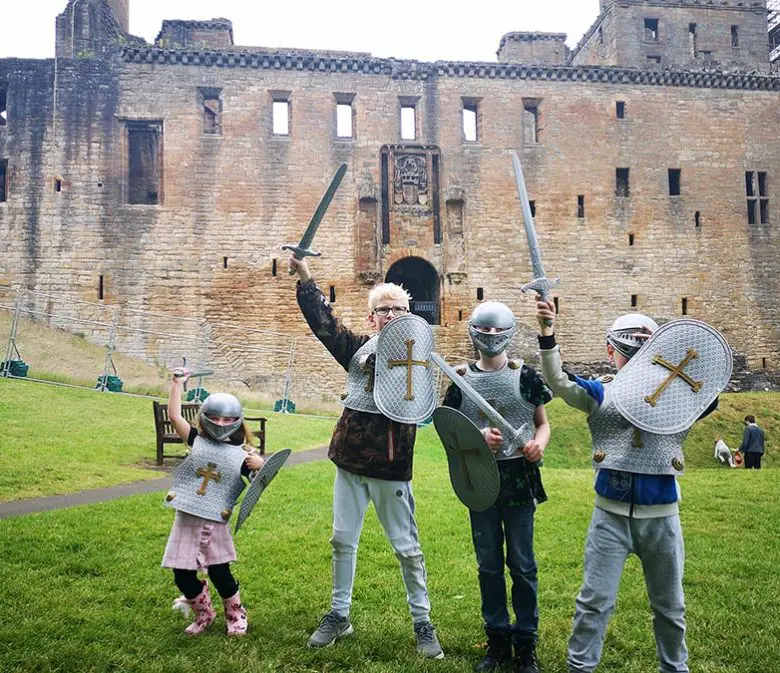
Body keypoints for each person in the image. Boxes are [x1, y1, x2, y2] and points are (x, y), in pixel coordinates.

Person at [534, 305, 719, 673]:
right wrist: (547, 331)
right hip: (610, 517)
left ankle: (675, 667)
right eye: (626, 346)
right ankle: (580, 667)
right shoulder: (601, 394)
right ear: (610, 351)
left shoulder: (680, 399)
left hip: (662, 516)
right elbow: (558, 380)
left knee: (670, 605)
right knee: (594, 601)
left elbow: (709, 392)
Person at [289, 255, 444, 659]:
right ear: (372, 316)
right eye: (384, 309)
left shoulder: (420, 358)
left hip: (392, 465)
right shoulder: (357, 349)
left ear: (409, 316)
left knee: (406, 547)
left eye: (400, 309)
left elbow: (439, 401)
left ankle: (422, 621)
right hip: (350, 459)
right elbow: (324, 324)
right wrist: (306, 277)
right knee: (342, 539)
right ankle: (340, 614)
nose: (392, 315)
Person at [442, 301, 551, 673]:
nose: (489, 337)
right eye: (483, 331)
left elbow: (542, 423)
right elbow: (449, 433)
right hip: (480, 480)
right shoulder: (459, 380)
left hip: (519, 477)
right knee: (489, 564)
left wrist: (539, 444)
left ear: (509, 332)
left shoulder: (526, 376)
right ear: (473, 331)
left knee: (522, 564)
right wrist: (475, 439)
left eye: (495, 331)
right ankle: (497, 639)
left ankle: (525, 642)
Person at [162, 370, 264, 636]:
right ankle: (203, 613)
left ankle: (236, 615)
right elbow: (174, 416)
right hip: (188, 517)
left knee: (220, 573)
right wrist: (176, 385)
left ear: (237, 421)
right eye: (216, 417)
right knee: (182, 574)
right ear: (206, 419)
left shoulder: (242, 455)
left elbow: (258, 481)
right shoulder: (197, 441)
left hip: (214, 522)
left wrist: (260, 466)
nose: (221, 423)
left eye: (227, 419)